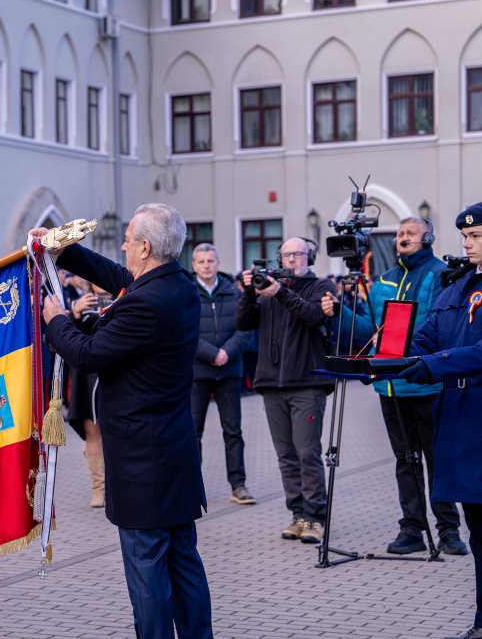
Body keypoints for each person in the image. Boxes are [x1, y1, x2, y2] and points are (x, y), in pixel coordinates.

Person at [34, 204, 212, 639]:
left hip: (142, 460)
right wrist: (62, 249)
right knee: (183, 560)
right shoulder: (178, 284)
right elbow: (120, 276)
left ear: (145, 247)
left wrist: (56, 321)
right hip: (172, 450)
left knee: (147, 568)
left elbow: (87, 354)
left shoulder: (147, 304)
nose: (123, 246)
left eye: (129, 240)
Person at [321, 217, 468, 556]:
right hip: (389, 388)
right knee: (405, 460)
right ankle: (412, 528)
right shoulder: (384, 279)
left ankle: (448, 530)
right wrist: (339, 312)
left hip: (426, 385)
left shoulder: (438, 275)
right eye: (400, 233)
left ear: (427, 238)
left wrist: (399, 351)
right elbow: (367, 332)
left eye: (410, 233)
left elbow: (434, 328)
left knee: (437, 459)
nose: (402, 238)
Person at [394, 203, 482, 639]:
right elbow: (426, 337)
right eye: (465, 236)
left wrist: (432, 364)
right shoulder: (458, 286)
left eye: (477, 236)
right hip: (461, 422)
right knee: (479, 530)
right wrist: (385, 359)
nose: (467, 243)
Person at [236, 237, 335, 544]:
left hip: (307, 382)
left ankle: (316, 517)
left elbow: (314, 315)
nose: (292, 259)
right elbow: (243, 322)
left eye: (298, 254)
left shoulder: (320, 286)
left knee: (307, 453)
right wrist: (249, 293)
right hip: (271, 384)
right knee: (285, 455)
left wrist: (281, 292)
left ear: (310, 257)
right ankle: (298, 514)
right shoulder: (267, 290)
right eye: (287, 254)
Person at [191, 243, 254, 505]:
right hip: (197, 372)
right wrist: (211, 353)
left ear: (218, 263)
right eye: (201, 261)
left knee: (233, 431)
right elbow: (182, 330)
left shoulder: (234, 292)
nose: (206, 265)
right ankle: (192, 488)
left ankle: (238, 485)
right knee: (192, 432)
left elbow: (246, 328)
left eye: (210, 261)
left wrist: (227, 352)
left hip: (228, 370)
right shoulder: (186, 293)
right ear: (194, 265)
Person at [65, 282, 108, 508]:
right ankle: (99, 489)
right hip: (88, 378)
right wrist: (74, 313)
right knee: (93, 433)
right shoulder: (80, 304)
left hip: (118, 375)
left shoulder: (127, 299)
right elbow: (67, 340)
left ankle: (118, 487)